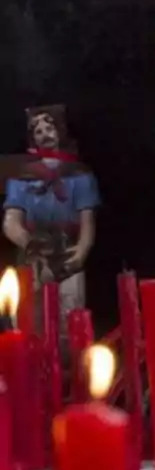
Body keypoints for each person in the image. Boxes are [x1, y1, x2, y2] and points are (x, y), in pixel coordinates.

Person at [3, 106, 100, 330]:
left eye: (50, 128)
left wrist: (83, 249)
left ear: (60, 132)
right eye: (38, 131)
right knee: (31, 320)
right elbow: (11, 221)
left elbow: (87, 219)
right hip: (32, 254)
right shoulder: (22, 176)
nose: (45, 133)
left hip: (67, 252)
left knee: (71, 319)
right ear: (32, 138)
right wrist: (29, 243)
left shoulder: (79, 175)